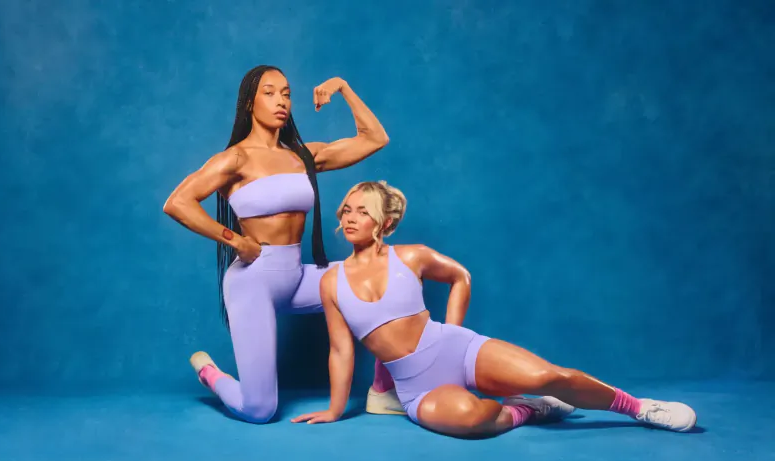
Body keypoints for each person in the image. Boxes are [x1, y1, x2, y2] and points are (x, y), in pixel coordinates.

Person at [291, 181, 698, 436]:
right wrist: (334, 408)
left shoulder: (411, 256)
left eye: (362, 210)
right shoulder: (332, 281)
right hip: (418, 387)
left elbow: (460, 277)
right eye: (346, 209)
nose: (350, 217)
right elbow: (341, 350)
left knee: (549, 374)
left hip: (460, 349)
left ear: (382, 220)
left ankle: (641, 408)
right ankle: (527, 411)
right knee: (471, 419)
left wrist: (451, 332)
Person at [163, 65, 404, 423]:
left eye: (287, 93)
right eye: (270, 93)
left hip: (298, 276)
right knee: (259, 410)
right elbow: (177, 202)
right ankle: (211, 375)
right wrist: (235, 240)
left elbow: (374, 138)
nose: (282, 101)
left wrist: (343, 86)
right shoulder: (236, 159)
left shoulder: (302, 156)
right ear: (249, 104)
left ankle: (382, 391)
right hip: (253, 282)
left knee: (390, 273)